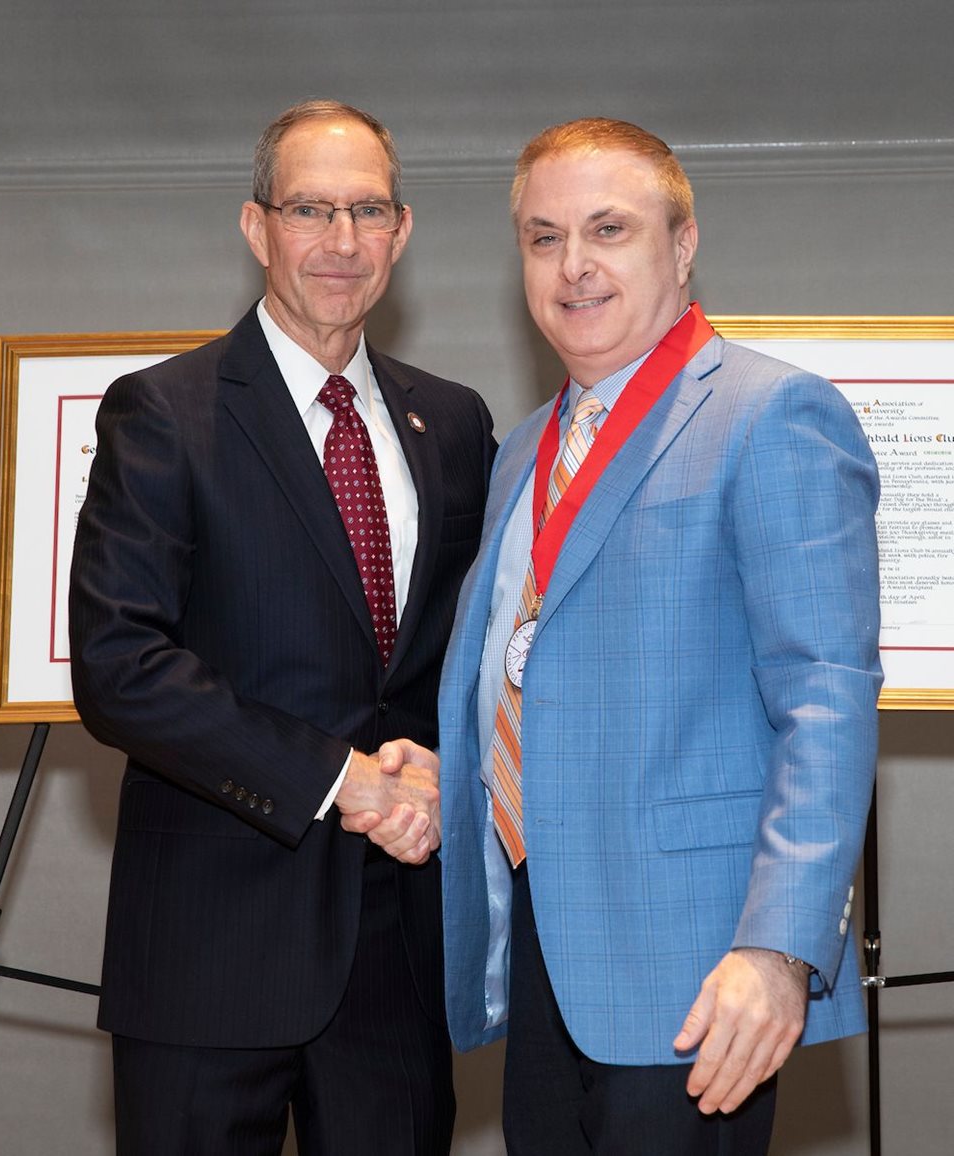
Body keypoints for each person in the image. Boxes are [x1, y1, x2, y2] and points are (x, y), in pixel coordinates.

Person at [432, 117, 882, 1154]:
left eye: (607, 229)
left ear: (681, 247)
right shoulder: (522, 451)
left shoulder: (774, 414)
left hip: (699, 973)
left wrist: (776, 949)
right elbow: (526, 671)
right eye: (543, 238)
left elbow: (825, 697)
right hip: (545, 957)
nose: (573, 265)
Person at [68, 99, 496, 1156]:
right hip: (209, 950)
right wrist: (341, 779)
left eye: (367, 211)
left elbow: (469, 652)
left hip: (398, 951)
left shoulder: (453, 423)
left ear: (402, 231)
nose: (341, 242)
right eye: (311, 209)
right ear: (256, 228)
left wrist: (442, 764)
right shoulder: (164, 413)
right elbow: (121, 667)